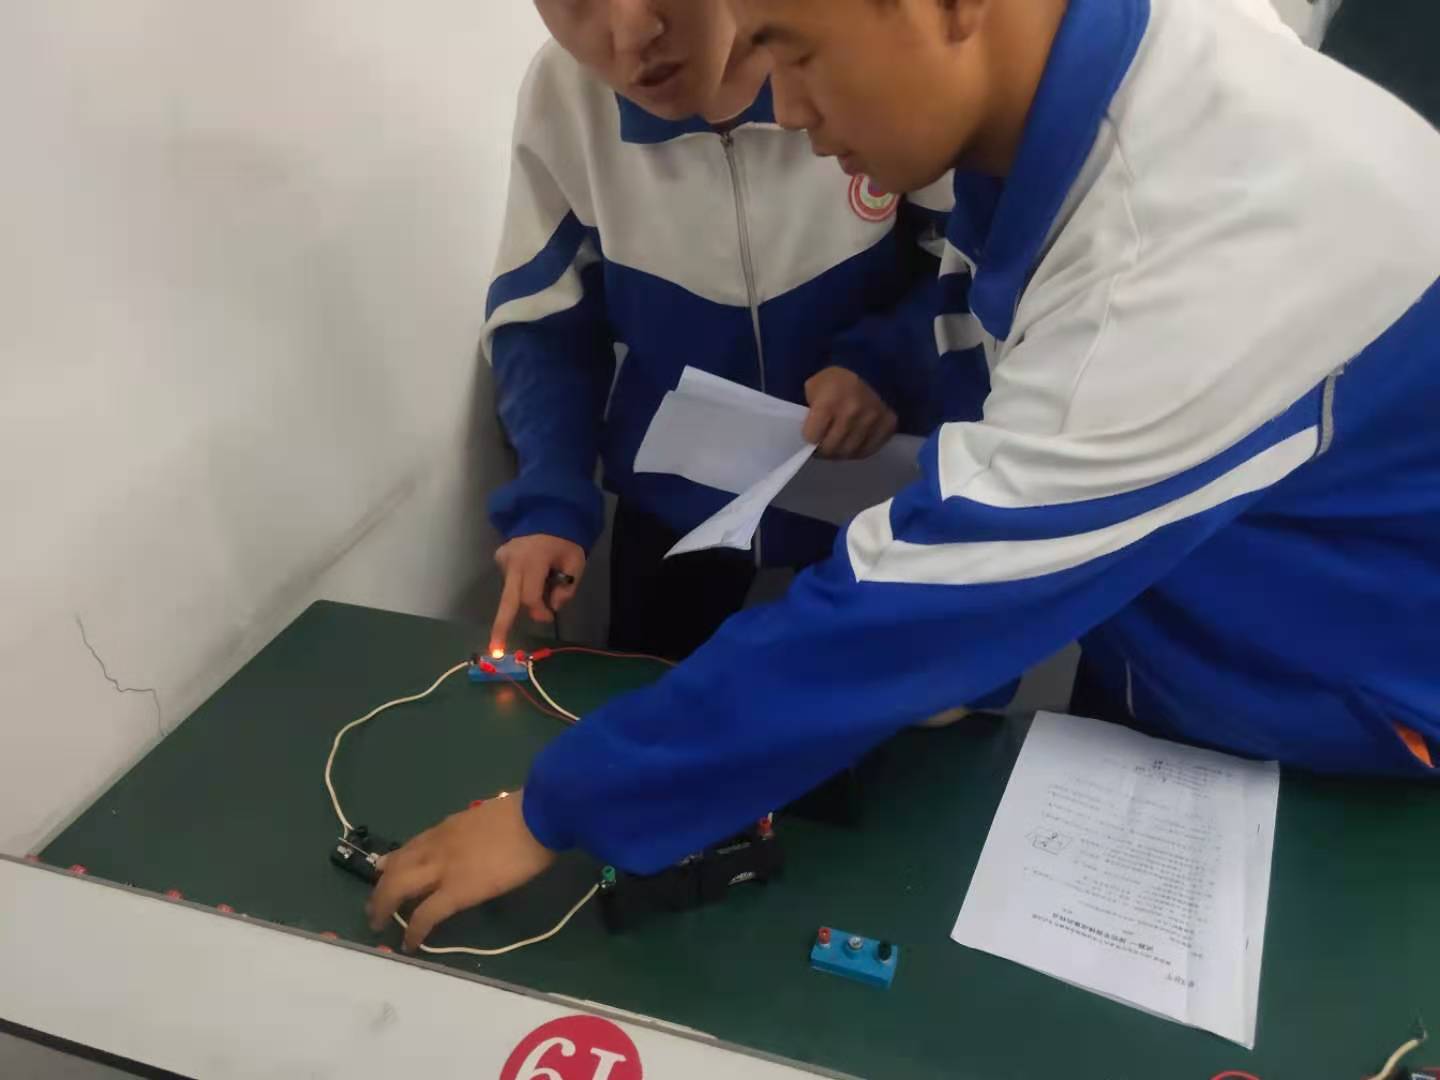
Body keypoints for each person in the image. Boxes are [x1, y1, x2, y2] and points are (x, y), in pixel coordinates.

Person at [371, 0, 1440, 951]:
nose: (787, 109)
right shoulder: (1098, 83)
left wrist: (552, 810)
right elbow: (994, 361)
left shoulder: (1175, 247)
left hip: (1341, 720)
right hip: (1186, 627)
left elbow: (922, 599)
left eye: (793, 50)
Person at [484, 0, 961, 664]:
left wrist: (889, 363)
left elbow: (975, 259)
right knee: (653, 697)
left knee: (882, 707)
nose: (632, 31)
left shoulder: (860, 43)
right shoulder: (565, 95)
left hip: (878, 494)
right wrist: (548, 498)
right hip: (677, 506)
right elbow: (543, 323)